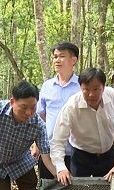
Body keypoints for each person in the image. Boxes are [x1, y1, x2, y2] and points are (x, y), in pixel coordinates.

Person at [50, 68, 114, 186]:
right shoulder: (71, 107)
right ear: (80, 88)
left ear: (104, 87)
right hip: (81, 157)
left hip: (108, 155)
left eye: (96, 89)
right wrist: (60, 167)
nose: (91, 94)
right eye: (86, 89)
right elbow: (58, 140)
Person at [36, 42, 80, 179]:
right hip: (48, 150)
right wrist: (37, 144)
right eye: (55, 57)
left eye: (61, 56)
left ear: (73, 60)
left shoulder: (82, 86)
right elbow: (40, 115)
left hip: (75, 151)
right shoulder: (47, 86)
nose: (57, 60)